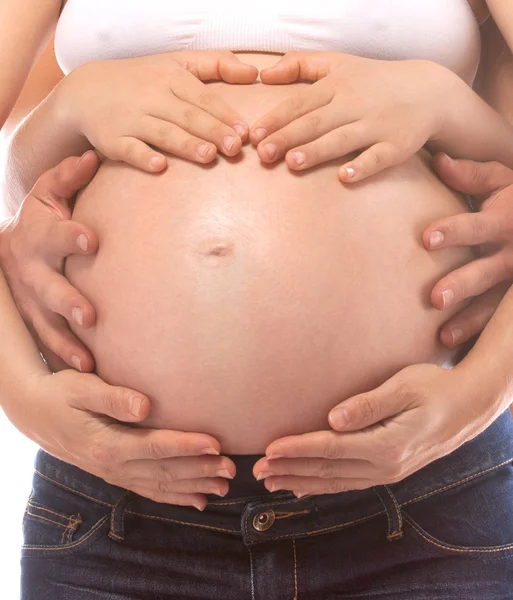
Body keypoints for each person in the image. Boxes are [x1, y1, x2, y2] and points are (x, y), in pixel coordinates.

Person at [1, 0, 513, 597]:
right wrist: (20, 393)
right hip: (117, 504)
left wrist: (484, 393)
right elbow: (19, 184)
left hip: (426, 496)